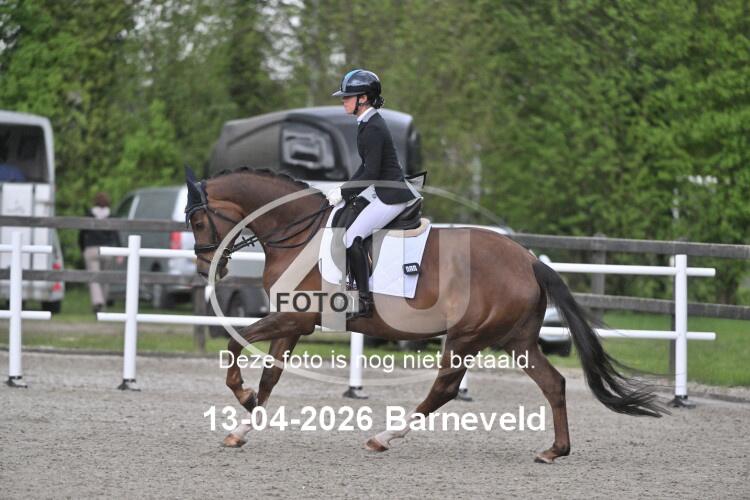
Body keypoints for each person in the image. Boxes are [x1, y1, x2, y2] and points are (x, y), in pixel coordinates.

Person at [327, 69, 421, 319]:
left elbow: (371, 172)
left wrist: (345, 191)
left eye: (348, 97)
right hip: (382, 190)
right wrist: (344, 190)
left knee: (351, 238)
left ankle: (364, 300)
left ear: (364, 98)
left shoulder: (373, 128)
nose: (343, 101)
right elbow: (365, 167)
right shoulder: (367, 123)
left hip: (391, 196)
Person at [78, 192, 120, 314]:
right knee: (105, 278)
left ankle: (98, 302)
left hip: (91, 249)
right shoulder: (111, 216)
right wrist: (119, 250)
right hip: (108, 250)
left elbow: (81, 234)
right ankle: (103, 303)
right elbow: (116, 235)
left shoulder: (89, 215)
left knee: (94, 277)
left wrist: (82, 248)